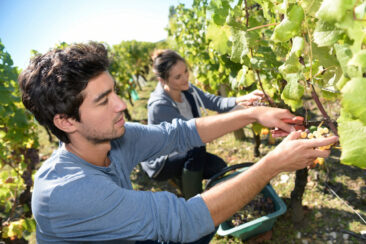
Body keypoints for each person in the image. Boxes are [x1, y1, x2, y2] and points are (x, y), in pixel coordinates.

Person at [18, 42, 338, 243]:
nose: (121, 105)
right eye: (104, 101)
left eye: (115, 91)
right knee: (197, 221)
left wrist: (252, 116)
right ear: (66, 121)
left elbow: (179, 133)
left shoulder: (117, 138)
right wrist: (272, 164)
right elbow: (184, 221)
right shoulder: (65, 193)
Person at [141, 50, 265, 199]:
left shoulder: (187, 88)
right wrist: (238, 113)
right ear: (163, 81)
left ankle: (187, 180)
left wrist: (243, 99)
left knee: (219, 167)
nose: (185, 78)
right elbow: (195, 133)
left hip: (183, 149)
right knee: (197, 149)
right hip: (161, 161)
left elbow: (215, 102)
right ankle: (195, 203)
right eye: (178, 77)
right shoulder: (160, 106)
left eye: (186, 71)